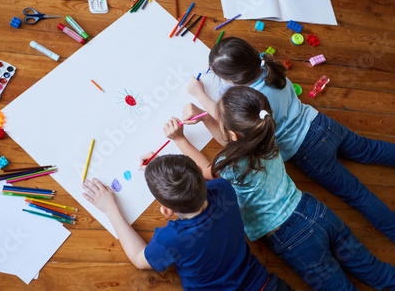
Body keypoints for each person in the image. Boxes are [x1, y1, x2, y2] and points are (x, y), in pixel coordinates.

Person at [166, 85, 395, 290]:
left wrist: (179, 139)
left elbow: (206, 168)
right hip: (315, 211)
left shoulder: (233, 165)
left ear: (233, 134)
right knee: (377, 272)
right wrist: (206, 118)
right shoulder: (266, 133)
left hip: (293, 237)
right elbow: (233, 143)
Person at [187, 36, 395, 241]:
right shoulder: (267, 67)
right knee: (371, 149)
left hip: (308, 151)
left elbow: (224, 117)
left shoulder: (250, 100)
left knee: (357, 194)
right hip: (322, 124)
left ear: (232, 80)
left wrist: (199, 94)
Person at [82, 154, 293, 290]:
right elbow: (200, 183)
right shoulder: (223, 188)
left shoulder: (173, 239)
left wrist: (110, 209)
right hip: (266, 285)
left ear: (167, 210)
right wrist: (160, 175)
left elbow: (139, 259)